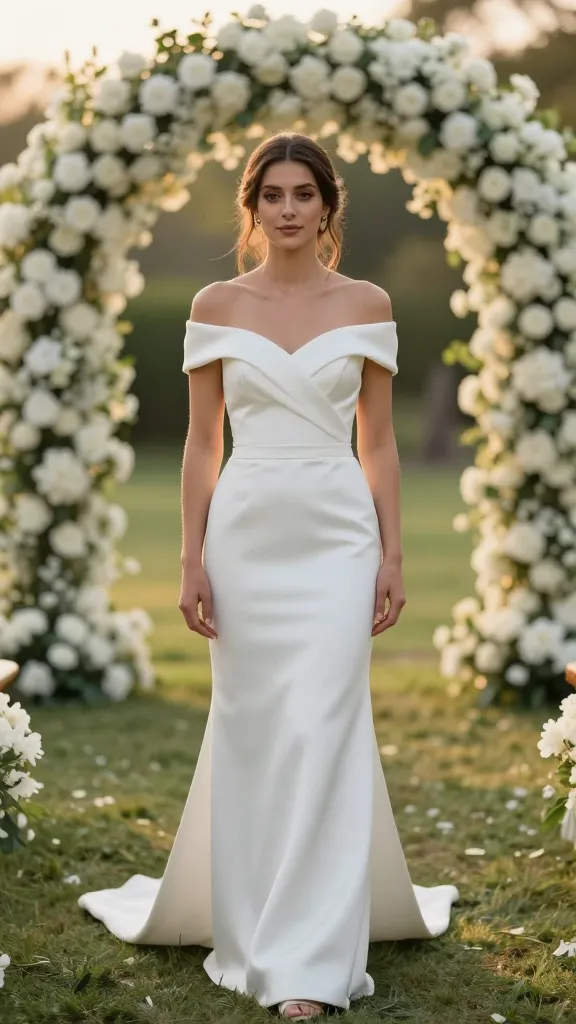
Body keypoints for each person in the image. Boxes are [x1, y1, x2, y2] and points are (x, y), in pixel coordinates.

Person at [78, 132, 459, 1020]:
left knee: (325, 724)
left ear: (328, 206)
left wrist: (393, 552)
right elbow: (203, 442)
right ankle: (255, 922)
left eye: (304, 194)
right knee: (256, 728)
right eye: (273, 195)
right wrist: (189, 556)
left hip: (337, 533)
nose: (288, 209)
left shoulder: (368, 302)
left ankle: (312, 960)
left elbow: (380, 441)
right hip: (246, 536)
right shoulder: (216, 303)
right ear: (252, 209)